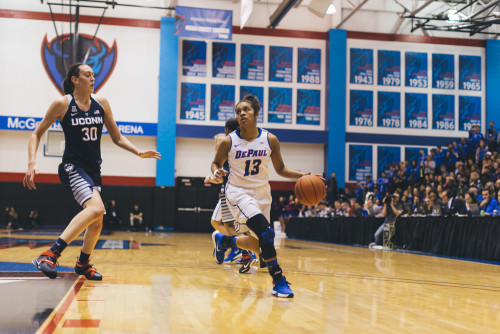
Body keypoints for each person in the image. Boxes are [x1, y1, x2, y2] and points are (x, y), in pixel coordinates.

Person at [24, 63, 161, 280]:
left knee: (97, 221)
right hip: (72, 166)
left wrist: (138, 152)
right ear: (74, 80)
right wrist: (32, 162)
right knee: (97, 209)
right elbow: (36, 133)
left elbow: (116, 137)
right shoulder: (62, 103)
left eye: (93, 75)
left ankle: (82, 263)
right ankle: (50, 255)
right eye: (87, 75)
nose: (92, 78)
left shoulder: (102, 103)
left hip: (93, 169)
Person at [210, 94, 310, 298]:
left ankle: (224, 241)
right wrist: (216, 172)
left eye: (245, 109)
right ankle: (278, 280)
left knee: (257, 246)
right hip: (239, 194)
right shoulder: (228, 142)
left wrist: (304, 176)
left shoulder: (269, 139)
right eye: (238, 111)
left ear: (256, 112)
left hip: (263, 194)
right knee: (267, 234)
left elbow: (281, 169)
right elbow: (216, 163)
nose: (241, 114)